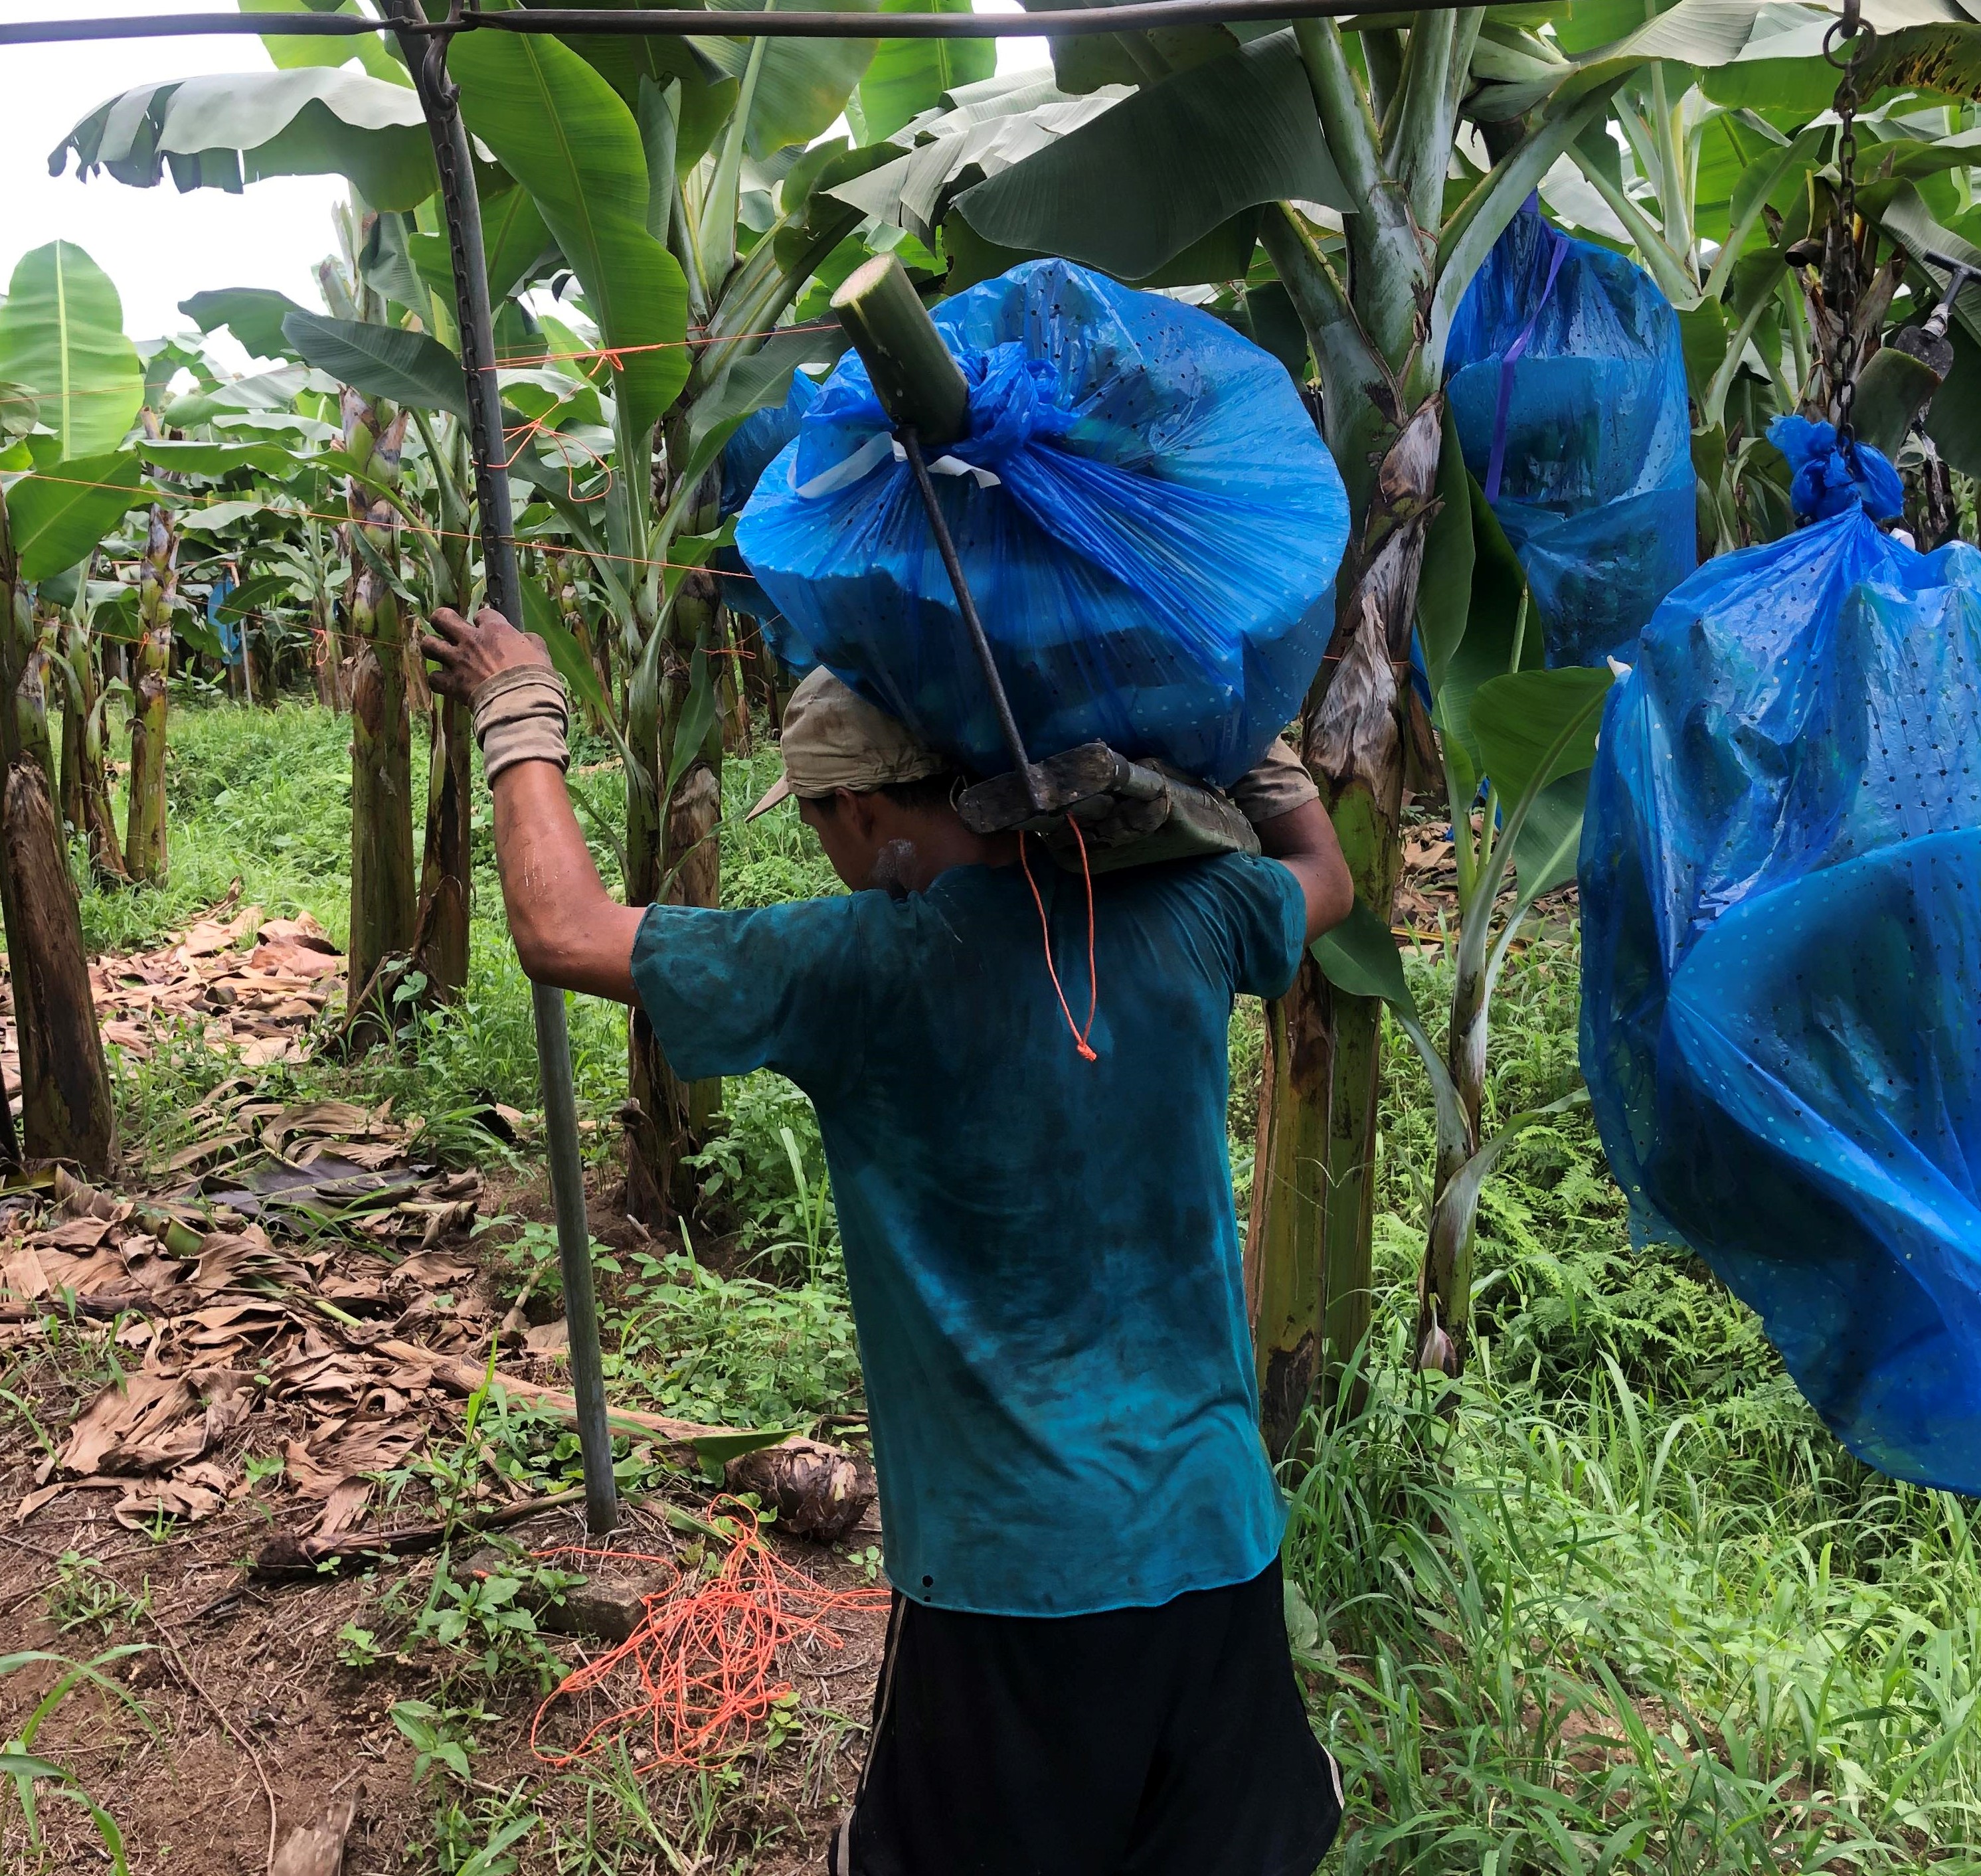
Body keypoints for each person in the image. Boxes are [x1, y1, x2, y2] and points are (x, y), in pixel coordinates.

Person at [424, 601, 1356, 1876]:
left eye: (814, 822)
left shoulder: (858, 966)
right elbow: (1331, 877)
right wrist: (1243, 731)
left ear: (862, 811)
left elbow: (561, 930)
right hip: (1217, 1542)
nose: (820, 852)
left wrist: (516, 702)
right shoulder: (1186, 911)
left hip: (1010, 1584)